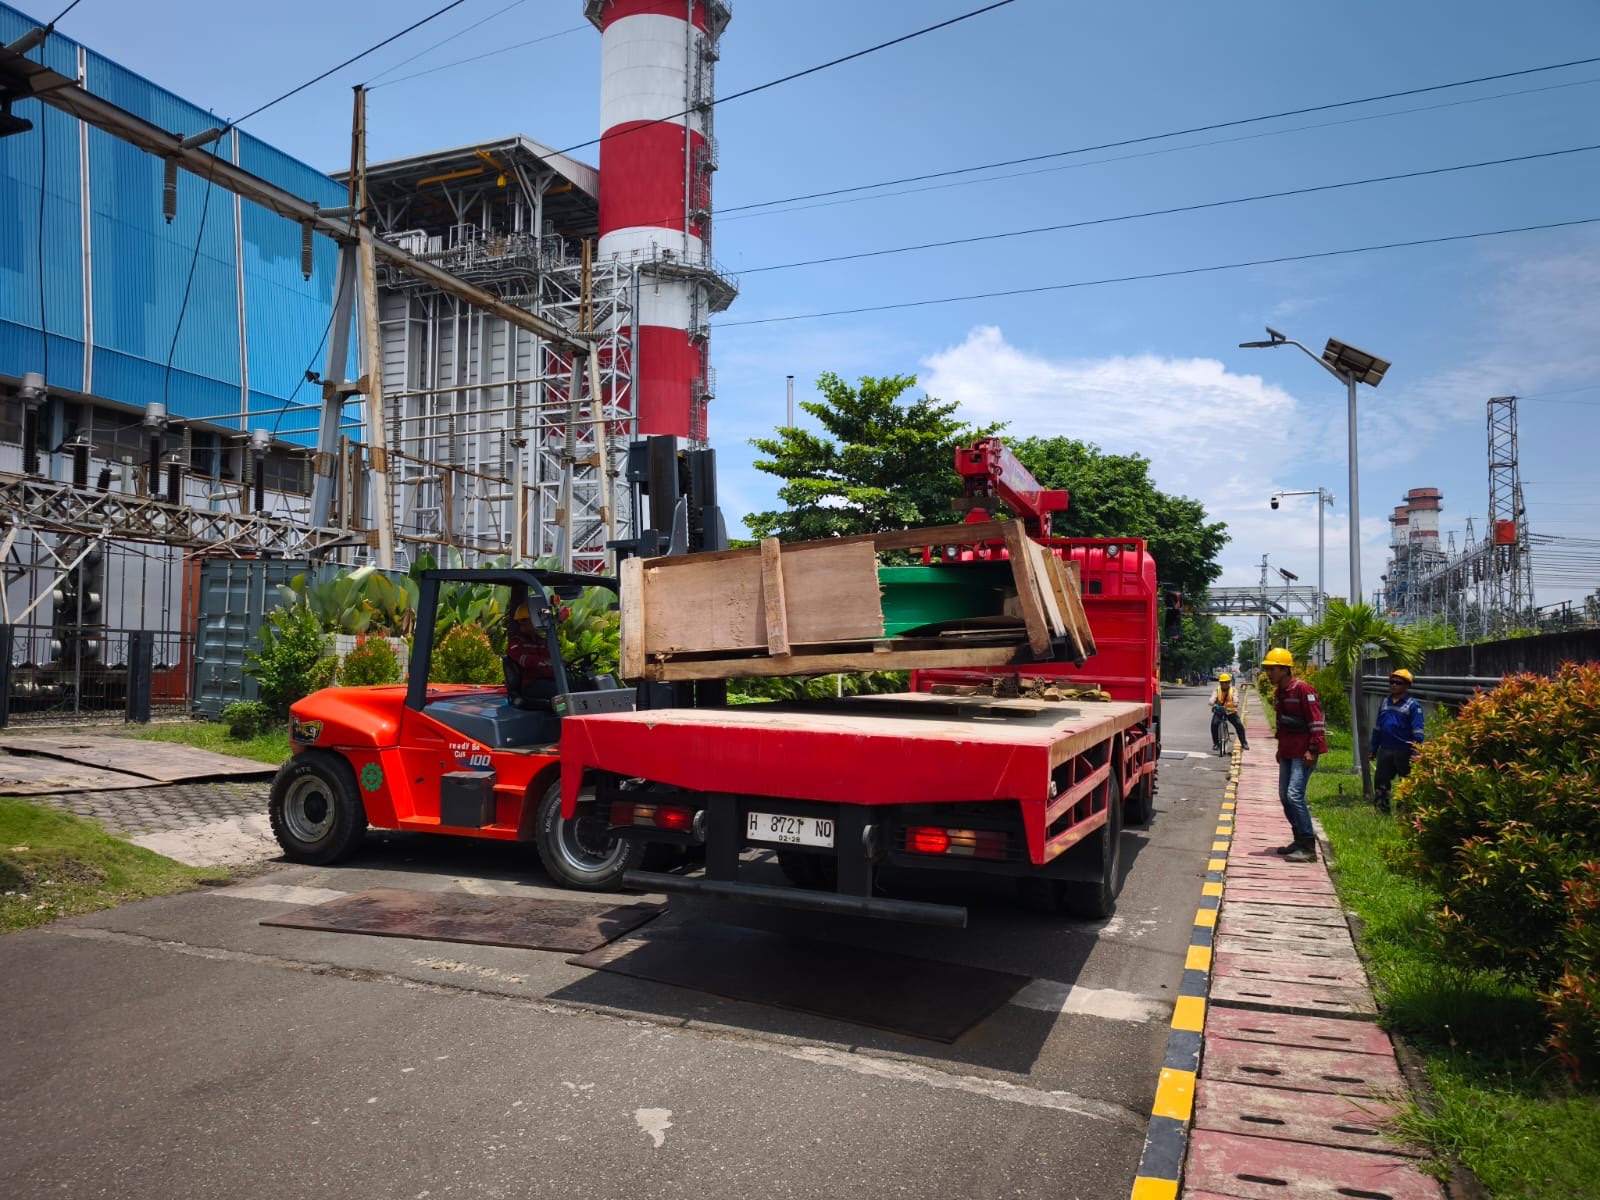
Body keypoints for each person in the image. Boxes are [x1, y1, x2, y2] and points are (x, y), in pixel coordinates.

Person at [1261, 647, 1327, 863]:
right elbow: (1281, 726)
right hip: (1288, 751)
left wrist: (1313, 749)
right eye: (1268, 669)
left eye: (1272, 669)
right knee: (1284, 796)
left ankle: (1308, 847)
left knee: (1294, 795)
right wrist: (1280, 749)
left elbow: (1316, 721)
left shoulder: (1303, 689)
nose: (1268, 674)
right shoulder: (1280, 693)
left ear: (1284, 669)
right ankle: (1298, 839)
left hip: (1304, 753)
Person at [1370, 668, 1424, 815]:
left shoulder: (1413, 705)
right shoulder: (1385, 702)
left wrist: (1415, 752)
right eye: (1391, 682)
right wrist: (1373, 748)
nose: (1393, 685)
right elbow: (1378, 727)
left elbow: (1418, 731)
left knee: (1405, 783)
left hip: (1404, 751)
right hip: (1385, 749)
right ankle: (1381, 811)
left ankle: (1404, 813)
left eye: (1398, 683)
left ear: (1407, 686)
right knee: (1381, 782)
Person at [1209, 672, 1250, 753]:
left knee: (1239, 724)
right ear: (1220, 683)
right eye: (1223, 682)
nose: (1224, 684)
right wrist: (1212, 702)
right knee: (1214, 724)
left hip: (1230, 711)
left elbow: (1235, 697)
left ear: (1229, 682)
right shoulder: (1217, 690)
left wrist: (1235, 702)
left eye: (1226, 682)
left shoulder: (1233, 689)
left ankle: (1244, 743)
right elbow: (1213, 697)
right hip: (1219, 711)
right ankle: (1216, 744)